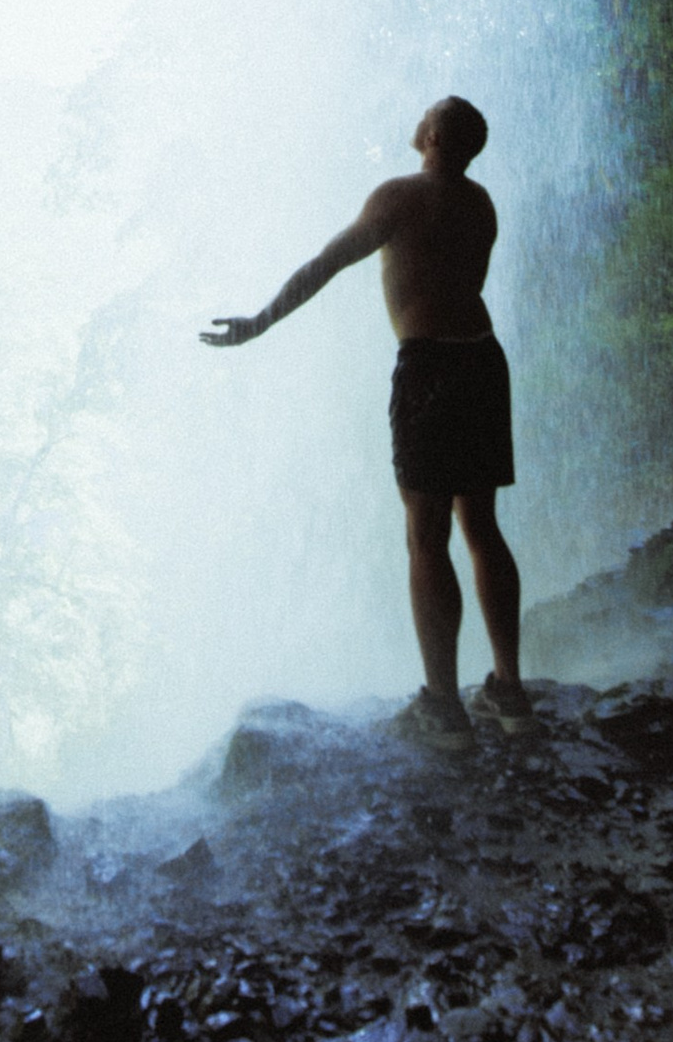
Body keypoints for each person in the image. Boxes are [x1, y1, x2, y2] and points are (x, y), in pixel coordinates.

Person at [201, 96, 538, 748]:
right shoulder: (481, 203)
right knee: (482, 524)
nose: (416, 121)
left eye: (426, 116)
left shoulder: (399, 196)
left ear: (432, 134)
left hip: (431, 367)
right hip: (482, 363)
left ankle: (444, 707)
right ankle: (510, 690)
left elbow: (326, 264)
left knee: (426, 532)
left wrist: (259, 323)